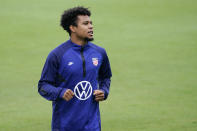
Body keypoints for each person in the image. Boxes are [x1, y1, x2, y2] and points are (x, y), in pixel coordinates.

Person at [38, 6, 112, 131]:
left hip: (92, 126)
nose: (91, 26)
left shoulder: (99, 53)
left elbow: (105, 76)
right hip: (64, 126)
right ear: (72, 28)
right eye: (85, 23)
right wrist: (59, 92)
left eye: (91, 23)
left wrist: (104, 91)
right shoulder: (57, 55)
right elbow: (43, 86)